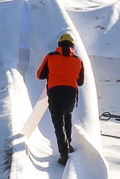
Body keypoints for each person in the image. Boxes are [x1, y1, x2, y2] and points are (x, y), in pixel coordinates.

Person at [36, 30, 85, 165]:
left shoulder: (50, 57)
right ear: (72, 46)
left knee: (58, 123)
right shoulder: (78, 60)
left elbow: (40, 75)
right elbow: (81, 82)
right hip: (71, 93)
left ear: (59, 44)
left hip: (55, 92)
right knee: (67, 117)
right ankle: (68, 145)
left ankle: (63, 153)